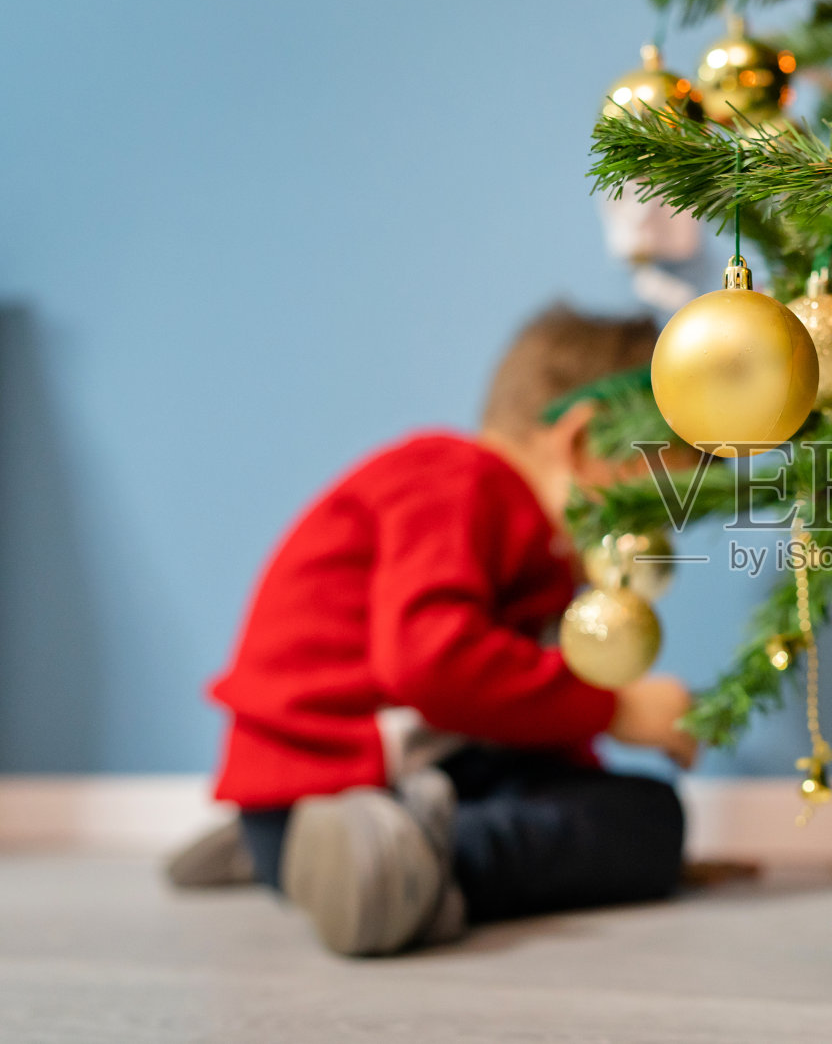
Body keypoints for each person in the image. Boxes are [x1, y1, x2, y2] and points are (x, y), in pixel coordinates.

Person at [169, 305, 698, 957]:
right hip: (332, 779)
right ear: (582, 444)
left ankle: (296, 849)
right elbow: (430, 663)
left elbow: (519, 721)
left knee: (642, 812)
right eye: (651, 497)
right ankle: (361, 860)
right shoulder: (453, 479)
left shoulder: (540, 556)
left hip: (404, 775)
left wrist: (584, 764)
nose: (658, 532)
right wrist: (613, 707)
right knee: (648, 825)